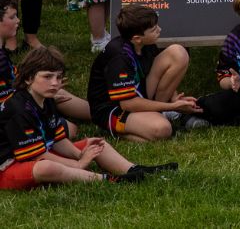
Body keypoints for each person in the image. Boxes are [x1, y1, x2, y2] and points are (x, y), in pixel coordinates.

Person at [0, 47, 175, 189]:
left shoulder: (47, 99)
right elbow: (37, 156)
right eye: (47, 77)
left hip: (37, 155)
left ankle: (136, 170)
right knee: (47, 167)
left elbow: (58, 140)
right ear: (29, 78)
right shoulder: (17, 108)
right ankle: (109, 180)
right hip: (8, 167)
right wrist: (78, 163)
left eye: (58, 77)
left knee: (96, 143)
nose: (55, 83)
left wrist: (80, 153)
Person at [87, 4, 205, 142]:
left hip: (137, 94)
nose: (159, 30)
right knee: (163, 129)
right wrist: (173, 107)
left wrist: (174, 98)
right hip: (113, 108)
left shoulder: (145, 43)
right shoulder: (119, 58)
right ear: (137, 38)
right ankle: (116, 130)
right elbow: (128, 104)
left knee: (178, 53)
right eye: (154, 29)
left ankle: (156, 114)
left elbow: (154, 71)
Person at [0, 0, 89, 130]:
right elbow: (8, 98)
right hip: (12, 117)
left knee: (55, 91)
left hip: (16, 105)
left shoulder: (2, 52)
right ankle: (104, 115)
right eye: (12, 17)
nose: (18, 21)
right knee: (71, 128)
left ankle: (102, 114)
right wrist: (38, 96)